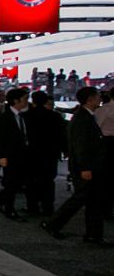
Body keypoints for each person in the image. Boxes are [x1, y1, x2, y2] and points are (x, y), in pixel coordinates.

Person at [42, 87, 112, 246]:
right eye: (97, 96)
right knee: (81, 198)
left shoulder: (86, 116)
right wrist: (85, 167)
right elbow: (80, 145)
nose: (100, 98)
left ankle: (93, 235)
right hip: (86, 167)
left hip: (91, 166)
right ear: (90, 99)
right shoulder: (82, 118)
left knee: (93, 200)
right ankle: (53, 223)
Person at [25, 90, 67, 216]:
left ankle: (32, 206)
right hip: (50, 153)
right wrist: (64, 150)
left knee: (31, 181)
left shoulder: (26, 116)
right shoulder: (55, 116)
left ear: (33, 101)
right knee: (48, 181)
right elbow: (62, 135)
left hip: (31, 153)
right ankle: (48, 207)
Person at [0, 88, 30, 220]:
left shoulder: (22, 116)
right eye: (24, 99)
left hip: (22, 155)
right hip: (10, 155)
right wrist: (1, 156)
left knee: (18, 181)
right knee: (11, 183)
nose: (27, 101)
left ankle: (0, 199)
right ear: (16, 101)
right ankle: (9, 209)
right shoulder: (5, 117)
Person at [95, 90, 114, 219]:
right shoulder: (105, 109)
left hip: (107, 143)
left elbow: (97, 127)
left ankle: (106, 208)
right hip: (108, 144)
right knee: (108, 177)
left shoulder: (104, 109)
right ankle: (106, 208)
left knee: (107, 177)